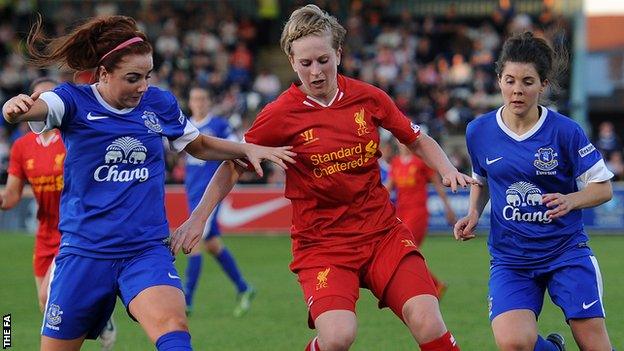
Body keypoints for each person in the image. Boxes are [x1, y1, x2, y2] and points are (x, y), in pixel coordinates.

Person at [173, 5, 477, 351]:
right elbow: (233, 164)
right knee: (337, 337)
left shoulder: (369, 97)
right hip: (323, 245)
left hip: (381, 233)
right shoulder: (279, 114)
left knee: (427, 319)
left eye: (323, 60)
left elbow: (416, 138)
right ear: (291, 62)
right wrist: (199, 217)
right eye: (305, 64)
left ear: (339, 54)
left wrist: (447, 169)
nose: (315, 72)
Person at [1, 15, 295, 351]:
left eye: (147, 76)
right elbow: (38, 107)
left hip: (144, 250)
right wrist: (15, 108)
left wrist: (245, 148)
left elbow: (197, 145)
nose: (143, 86)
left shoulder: (158, 103)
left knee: (174, 327)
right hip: (85, 252)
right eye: (132, 78)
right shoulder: (72, 101)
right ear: (103, 73)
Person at [454, 32, 614, 351]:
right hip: (511, 258)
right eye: (510, 80)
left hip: (565, 252)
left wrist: (571, 199)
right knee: (514, 343)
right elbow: (482, 178)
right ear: (498, 79)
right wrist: (473, 212)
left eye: (527, 81)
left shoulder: (566, 132)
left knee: (594, 345)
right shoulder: (479, 131)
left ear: (543, 85)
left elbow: (604, 188)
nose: (517, 90)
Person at [0, 77, 116, 350]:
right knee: (46, 305)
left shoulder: (76, 137)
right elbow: (12, 196)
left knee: (49, 296)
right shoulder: (22, 146)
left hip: (75, 230)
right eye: (40, 98)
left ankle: (96, 319)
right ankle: (101, 320)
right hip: (45, 232)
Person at [182, 86, 255, 317]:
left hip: (209, 195)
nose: (199, 102)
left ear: (209, 101)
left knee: (193, 242)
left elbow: (237, 150)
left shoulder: (219, 126)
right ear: (190, 102)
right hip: (192, 193)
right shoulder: (184, 126)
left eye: (203, 98)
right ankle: (244, 287)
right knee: (212, 244)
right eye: (195, 98)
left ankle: (187, 301)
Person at [386, 143, 457, 297]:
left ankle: (431, 285)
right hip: (401, 212)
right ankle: (433, 285)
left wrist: (448, 207)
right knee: (402, 252)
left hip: (417, 212)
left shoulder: (420, 161)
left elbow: (437, 185)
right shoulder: (396, 162)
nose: (401, 141)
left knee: (406, 250)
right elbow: (388, 188)